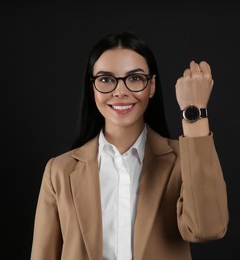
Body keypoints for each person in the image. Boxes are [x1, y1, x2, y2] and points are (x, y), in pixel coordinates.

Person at [30, 31, 228, 260]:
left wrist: (194, 112)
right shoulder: (59, 171)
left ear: (151, 86)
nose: (120, 91)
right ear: (92, 87)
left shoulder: (183, 160)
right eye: (105, 79)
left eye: (134, 78)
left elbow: (208, 228)